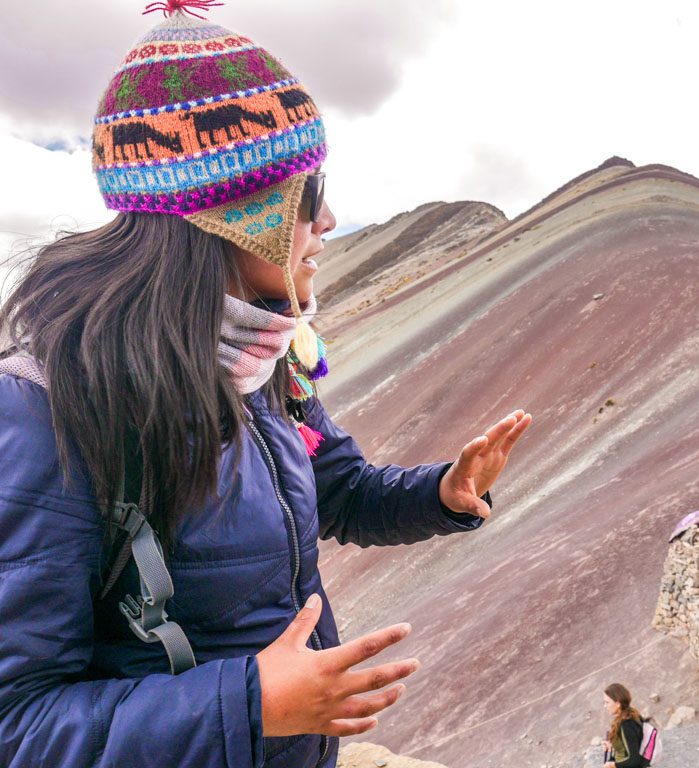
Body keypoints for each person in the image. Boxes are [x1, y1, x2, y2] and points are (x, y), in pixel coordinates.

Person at [0, 6, 533, 767]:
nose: (330, 220)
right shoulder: (47, 410)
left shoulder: (261, 364)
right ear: (237, 214)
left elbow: (339, 490)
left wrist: (441, 495)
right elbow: (19, 724)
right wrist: (249, 705)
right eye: (307, 196)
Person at [601, 684, 646, 768]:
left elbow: (635, 760)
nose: (605, 706)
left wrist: (612, 765)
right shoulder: (632, 714)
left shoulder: (625, 725)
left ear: (618, 704)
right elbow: (633, 742)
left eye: (607, 702)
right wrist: (613, 745)